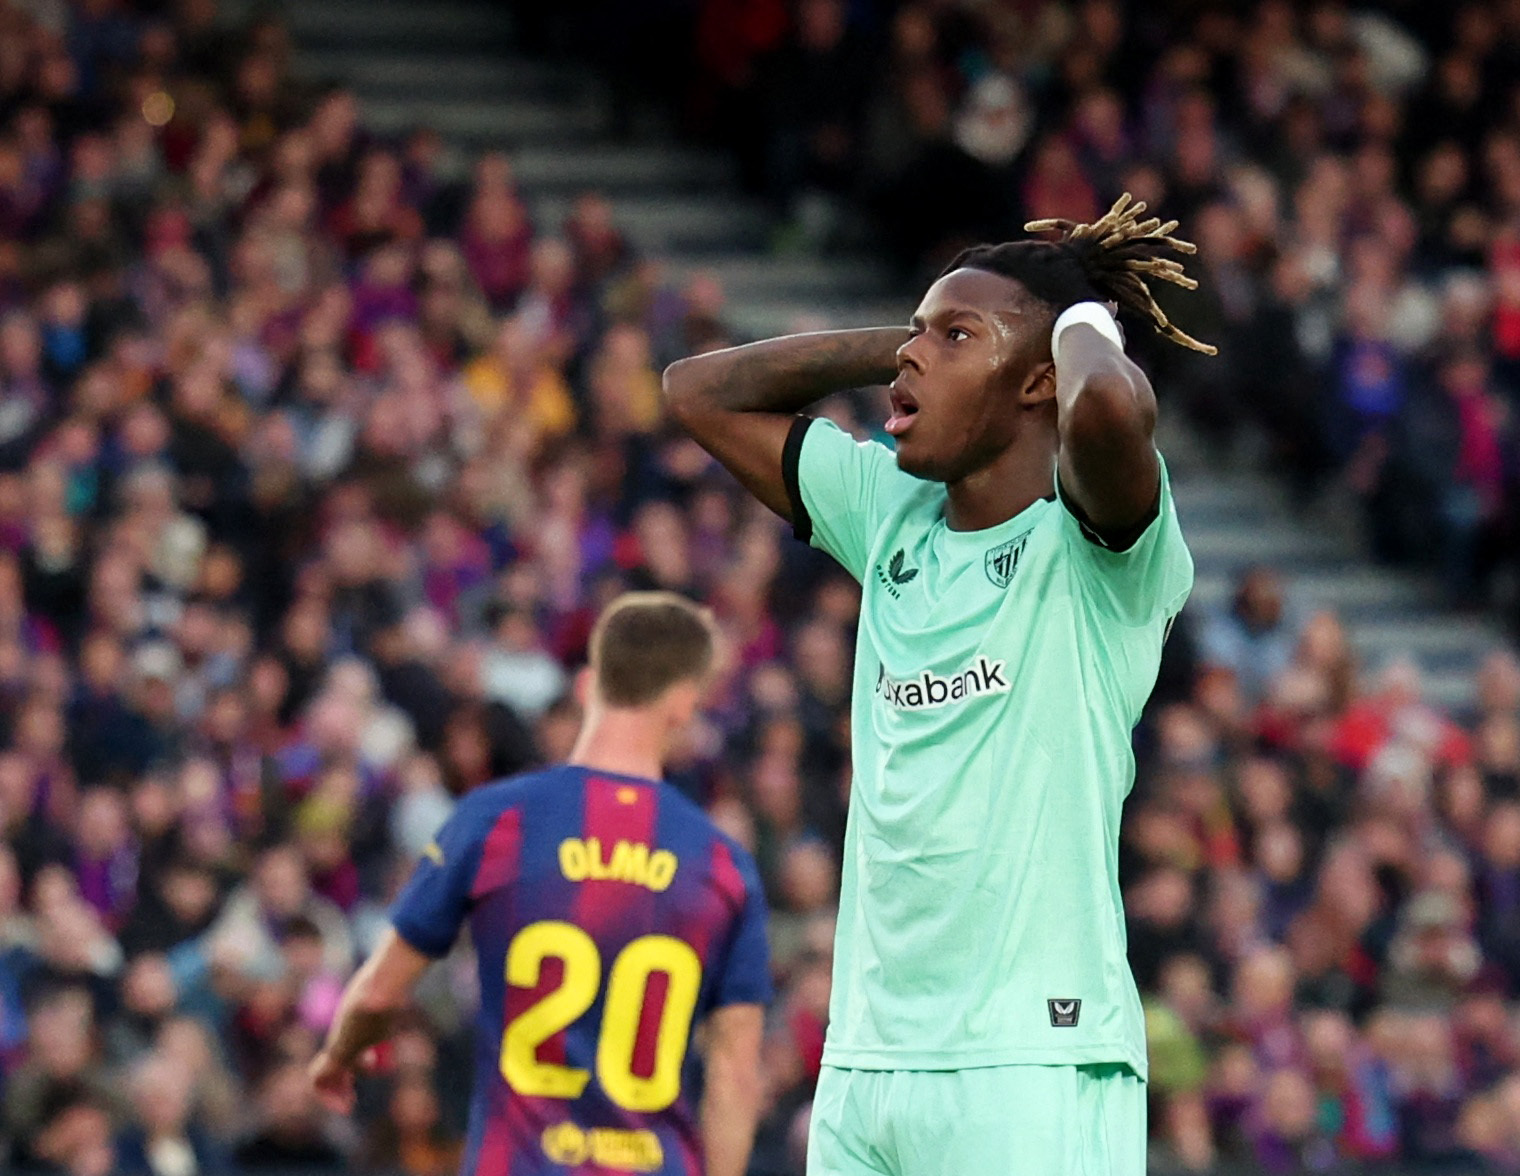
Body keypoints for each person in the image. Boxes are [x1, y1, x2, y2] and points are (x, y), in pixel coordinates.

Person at [665, 193, 1206, 1175]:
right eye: (918, 333)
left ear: (1039, 382)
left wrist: (1081, 317)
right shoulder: (892, 515)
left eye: (957, 335)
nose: (915, 355)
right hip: (868, 1062)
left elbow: (1113, 408)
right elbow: (698, 392)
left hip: (1034, 1061)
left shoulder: (1097, 554)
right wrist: (918, 345)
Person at [309, 593, 773, 1176]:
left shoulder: (497, 821)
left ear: (586, 686)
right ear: (683, 704)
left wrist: (338, 1054)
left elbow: (379, 993)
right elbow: (735, 1070)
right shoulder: (722, 864)